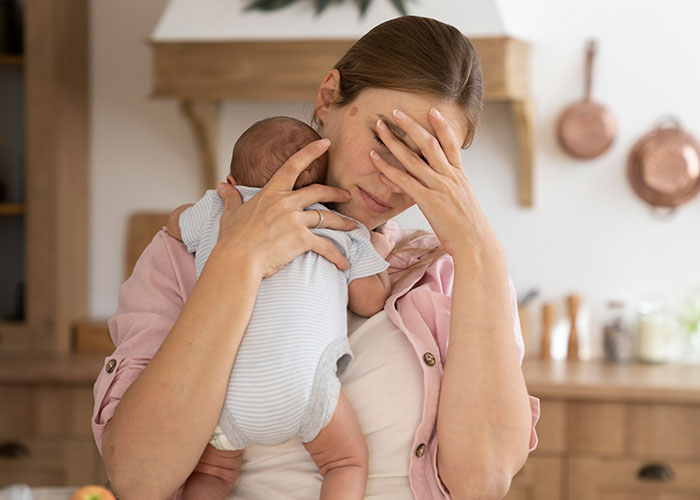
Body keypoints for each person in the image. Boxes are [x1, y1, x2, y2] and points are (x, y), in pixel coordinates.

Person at [92, 15, 541, 500]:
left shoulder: (453, 276)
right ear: (328, 98)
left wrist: (479, 250)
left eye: (425, 162)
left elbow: (483, 483)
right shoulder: (187, 256)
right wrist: (237, 262)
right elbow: (139, 479)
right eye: (385, 139)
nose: (393, 180)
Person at [166, 115, 394, 499]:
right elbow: (370, 303)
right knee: (345, 463)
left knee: (213, 474)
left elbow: (173, 226)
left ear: (232, 182)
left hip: (222, 391)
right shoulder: (339, 226)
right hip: (304, 389)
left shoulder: (220, 208)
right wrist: (377, 252)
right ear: (322, 188)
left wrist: (212, 203)